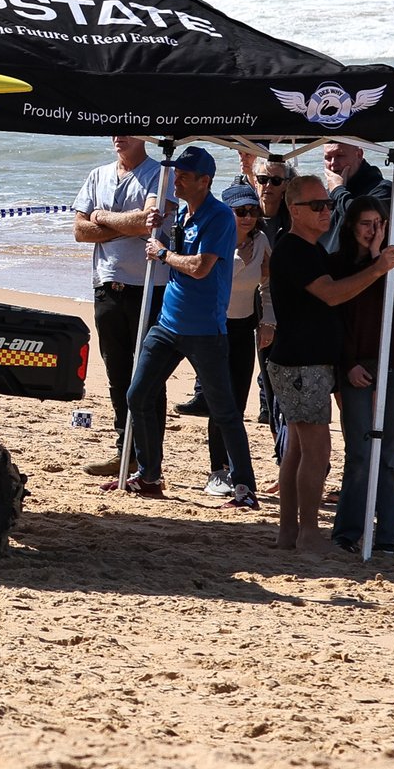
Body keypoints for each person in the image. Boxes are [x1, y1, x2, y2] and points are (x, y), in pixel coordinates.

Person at [116, 148, 256, 507]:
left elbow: (200, 267)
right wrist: (160, 221)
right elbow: (179, 248)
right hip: (168, 323)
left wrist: (162, 253)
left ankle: (244, 486)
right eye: (176, 173)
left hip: (205, 329)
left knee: (224, 410)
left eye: (184, 176)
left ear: (204, 181)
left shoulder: (220, 217)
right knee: (138, 394)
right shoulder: (184, 214)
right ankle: (149, 475)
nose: (176, 180)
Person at [264, 177, 392, 547]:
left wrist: (371, 254)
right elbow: (332, 295)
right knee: (316, 452)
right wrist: (378, 268)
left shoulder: (312, 248)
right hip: (300, 365)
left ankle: (291, 532)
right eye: (317, 205)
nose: (326, 211)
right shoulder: (294, 250)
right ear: (294, 209)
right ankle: (306, 532)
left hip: (304, 363)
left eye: (328, 204)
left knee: (299, 450)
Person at [71, 136, 166, 472]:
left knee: (148, 375)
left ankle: (150, 458)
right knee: (117, 373)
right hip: (107, 284)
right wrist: (122, 223)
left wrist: (102, 216)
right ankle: (124, 451)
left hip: (149, 285)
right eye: (114, 130)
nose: (118, 136)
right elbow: (81, 231)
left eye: (126, 129)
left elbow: (146, 222)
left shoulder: (157, 173)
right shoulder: (98, 175)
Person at [332, 197, 394, 554]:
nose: (372, 230)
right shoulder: (336, 264)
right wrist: (347, 364)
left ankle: (388, 537)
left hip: (393, 361)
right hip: (354, 363)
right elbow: (336, 320)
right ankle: (348, 532)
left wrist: (381, 254)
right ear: (352, 226)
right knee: (360, 451)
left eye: (378, 223)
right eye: (365, 223)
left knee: (389, 452)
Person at [202, 183, 273, 495]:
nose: (247, 217)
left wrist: (268, 321)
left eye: (252, 211)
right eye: (240, 211)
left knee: (236, 404)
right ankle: (217, 471)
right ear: (226, 212)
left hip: (244, 328)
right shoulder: (215, 241)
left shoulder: (261, 242)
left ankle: (231, 468)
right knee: (219, 402)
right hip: (212, 328)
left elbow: (268, 285)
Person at [318, 141, 390, 255]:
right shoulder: (329, 193)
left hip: (364, 269)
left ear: (359, 154)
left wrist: (338, 190)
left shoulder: (382, 190)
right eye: (328, 157)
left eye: (340, 156)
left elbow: (360, 219)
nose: (333, 163)